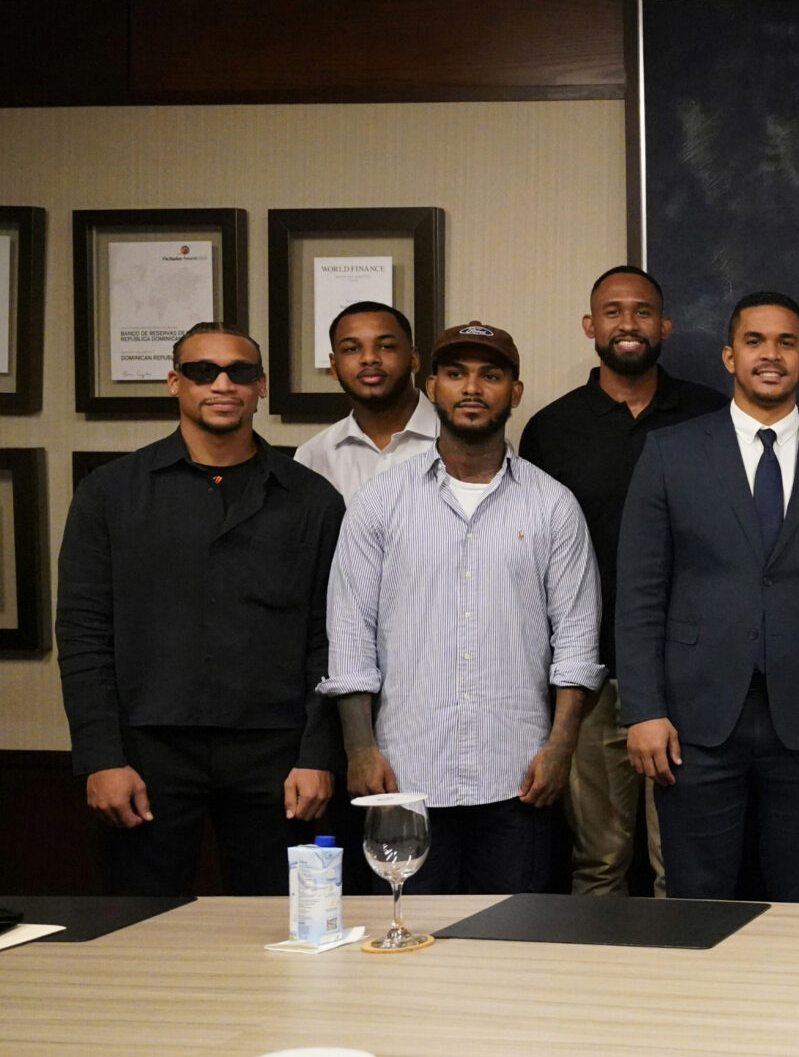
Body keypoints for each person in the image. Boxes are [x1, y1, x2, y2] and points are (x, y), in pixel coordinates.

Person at [57, 323, 340, 896]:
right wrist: (101, 758)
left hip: (278, 754)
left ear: (261, 386)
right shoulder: (110, 493)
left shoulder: (311, 498)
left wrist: (319, 754)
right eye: (203, 371)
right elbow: (84, 633)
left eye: (240, 372)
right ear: (174, 382)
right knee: (141, 925)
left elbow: (332, 636)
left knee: (283, 925)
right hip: (147, 751)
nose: (222, 384)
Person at [322, 322, 603, 895]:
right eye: (456, 374)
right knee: (408, 939)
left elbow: (577, 640)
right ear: (432, 387)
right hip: (404, 775)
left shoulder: (553, 505)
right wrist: (360, 749)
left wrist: (560, 749)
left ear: (515, 392)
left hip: (519, 777)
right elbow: (349, 632)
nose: (472, 388)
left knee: (511, 940)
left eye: (490, 375)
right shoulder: (379, 502)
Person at [618, 291, 799, 902]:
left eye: (786, 343)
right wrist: (643, 711)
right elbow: (639, 595)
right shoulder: (672, 452)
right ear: (730, 356)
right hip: (694, 723)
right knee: (698, 901)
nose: (771, 355)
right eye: (755, 341)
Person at [518, 266, 728, 898]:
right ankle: (596, 968)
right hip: (590, 678)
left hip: (687, 677)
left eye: (642, 311)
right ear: (590, 325)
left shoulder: (711, 416)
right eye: (613, 311)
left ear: (665, 325)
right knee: (599, 861)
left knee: (682, 866)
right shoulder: (551, 430)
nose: (628, 323)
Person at [293, 300, 439, 497]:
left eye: (386, 346)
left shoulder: (460, 438)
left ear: (414, 358)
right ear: (334, 366)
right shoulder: (312, 457)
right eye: (352, 349)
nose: (369, 358)